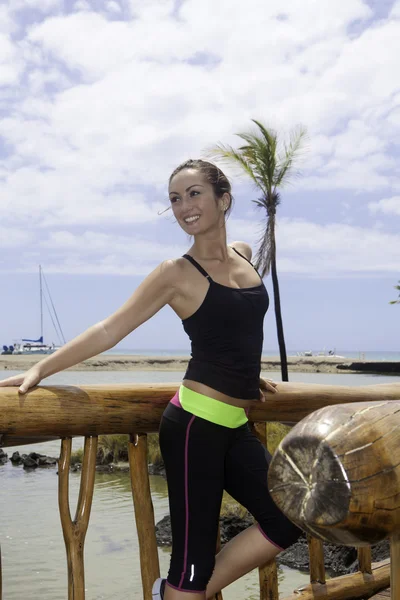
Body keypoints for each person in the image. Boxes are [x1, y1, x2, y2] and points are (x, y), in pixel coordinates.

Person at [0, 159, 301, 599]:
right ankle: (183, 591)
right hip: (194, 428)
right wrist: (42, 367)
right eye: (175, 199)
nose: (184, 207)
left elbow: (238, 329)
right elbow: (110, 328)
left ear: (224, 199)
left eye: (194, 193)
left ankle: (177, 594)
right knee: (190, 563)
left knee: (286, 519)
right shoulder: (175, 273)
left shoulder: (243, 254)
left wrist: (248, 374)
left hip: (235, 426)